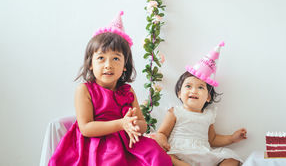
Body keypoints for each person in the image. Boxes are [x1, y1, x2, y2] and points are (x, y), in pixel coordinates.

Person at [49, 11, 171, 166]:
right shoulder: (85, 90)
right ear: (90, 64)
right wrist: (121, 124)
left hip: (128, 142)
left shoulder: (127, 91)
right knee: (112, 161)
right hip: (97, 144)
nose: (108, 65)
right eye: (101, 58)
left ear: (125, 66)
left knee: (156, 156)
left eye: (116, 58)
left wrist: (133, 125)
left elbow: (142, 124)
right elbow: (86, 128)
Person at [155, 42, 247, 166]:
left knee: (231, 158)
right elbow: (162, 133)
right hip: (179, 152)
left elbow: (213, 139)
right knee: (167, 157)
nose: (194, 90)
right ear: (179, 93)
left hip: (203, 153)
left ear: (208, 97)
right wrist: (162, 142)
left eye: (200, 87)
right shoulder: (175, 112)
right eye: (188, 86)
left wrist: (231, 138)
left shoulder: (208, 116)